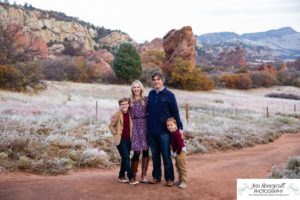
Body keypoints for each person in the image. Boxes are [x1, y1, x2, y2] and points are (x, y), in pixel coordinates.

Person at [147, 71, 183, 187]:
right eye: (154, 80)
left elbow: (175, 112)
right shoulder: (151, 94)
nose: (156, 81)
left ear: (162, 81)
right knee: (155, 156)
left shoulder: (169, 95)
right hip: (151, 131)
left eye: (158, 79)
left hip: (164, 132)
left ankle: (169, 178)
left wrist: (180, 127)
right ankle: (156, 177)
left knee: (166, 156)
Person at [108, 97, 139, 185]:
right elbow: (110, 126)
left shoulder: (131, 114)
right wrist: (116, 134)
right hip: (120, 140)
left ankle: (121, 176)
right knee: (126, 157)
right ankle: (131, 177)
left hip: (129, 139)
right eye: (122, 104)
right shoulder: (117, 114)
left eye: (126, 104)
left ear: (128, 105)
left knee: (125, 157)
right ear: (120, 106)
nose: (124, 106)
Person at [129, 80, 150, 183]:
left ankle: (144, 175)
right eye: (134, 87)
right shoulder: (129, 101)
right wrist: (114, 117)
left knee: (146, 151)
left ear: (141, 88)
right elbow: (122, 112)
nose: (136, 89)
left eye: (138, 87)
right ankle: (133, 174)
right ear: (132, 89)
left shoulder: (146, 100)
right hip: (134, 127)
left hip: (145, 126)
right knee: (136, 152)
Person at [166, 117, 188, 189]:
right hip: (176, 152)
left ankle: (184, 181)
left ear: (175, 125)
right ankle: (180, 180)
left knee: (182, 167)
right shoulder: (172, 133)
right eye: (168, 125)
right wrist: (173, 151)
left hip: (180, 151)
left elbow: (180, 145)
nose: (169, 127)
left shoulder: (178, 133)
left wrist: (176, 152)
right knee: (178, 166)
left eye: (171, 125)